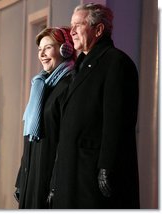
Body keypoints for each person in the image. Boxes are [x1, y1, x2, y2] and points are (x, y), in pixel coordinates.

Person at [48, 3, 140, 209]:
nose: (71, 31)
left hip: (91, 176)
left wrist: (107, 166)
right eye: (71, 26)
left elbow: (117, 121)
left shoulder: (116, 63)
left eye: (78, 25)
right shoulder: (78, 65)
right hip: (70, 174)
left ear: (98, 30)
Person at [14, 27, 76, 208]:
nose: (42, 54)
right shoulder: (40, 85)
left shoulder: (69, 85)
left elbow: (65, 142)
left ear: (66, 49)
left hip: (48, 179)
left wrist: (55, 185)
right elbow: (29, 139)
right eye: (40, 49)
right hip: (30, 176)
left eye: (48, 48)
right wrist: (20, 179)